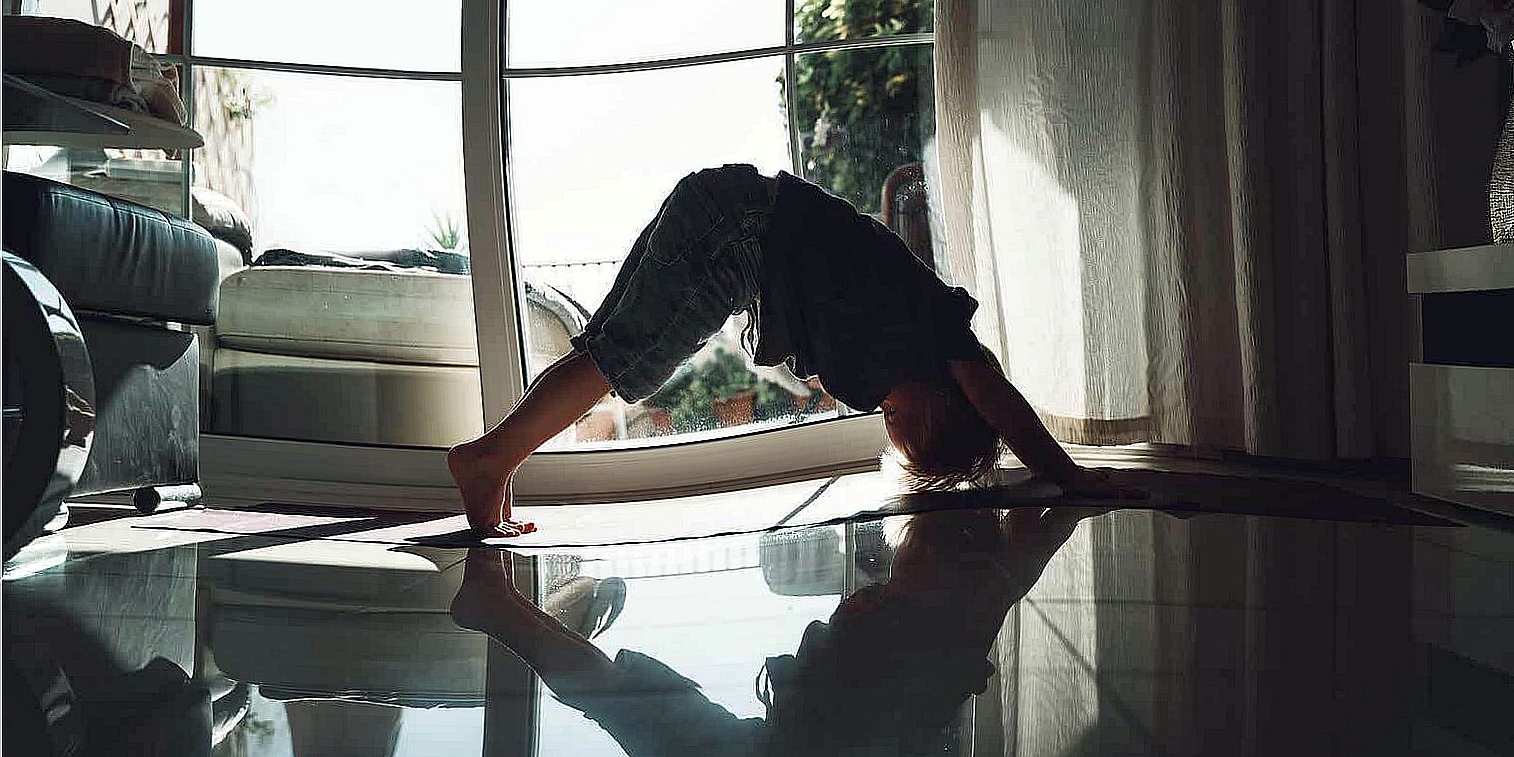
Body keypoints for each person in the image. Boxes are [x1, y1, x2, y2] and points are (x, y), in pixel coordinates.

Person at [449, 164, 1140, 536]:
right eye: (904, 422)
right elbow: (999, 397)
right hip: (737, 232)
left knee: (612, 350)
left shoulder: (891, 348)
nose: (888, 419)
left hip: (724, 211)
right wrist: (1066, 474)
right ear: (945, 400)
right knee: (623, 362)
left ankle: (496, 462)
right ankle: (489, 460)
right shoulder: (937, 329)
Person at [448, 497, 1115, 757]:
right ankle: (500, 606)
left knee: (632, 701)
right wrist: (1064, 491)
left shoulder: (948, 633)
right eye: (898, 563)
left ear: (949, 575)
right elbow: (1030, 543)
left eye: (904, 565)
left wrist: (793, 678)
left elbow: (1029, 548)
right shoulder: (955, 614)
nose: (880, 578)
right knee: (631, 701)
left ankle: (498, 608)